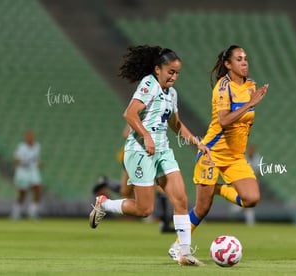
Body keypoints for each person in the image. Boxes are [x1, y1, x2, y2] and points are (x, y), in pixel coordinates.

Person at [89, 45, 210, 266]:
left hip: (162, 150)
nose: (174, 76)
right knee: (144, 210)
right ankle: (104, 204)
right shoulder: (149, 84)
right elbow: (129, 113)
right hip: (140, 150)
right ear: (157, 69)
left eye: (177, 73)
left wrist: (197, 142)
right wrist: (146, 136)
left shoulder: (172, 94)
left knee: (181, 198)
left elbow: (176, 125)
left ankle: (184, 252)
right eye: (170, 72)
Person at [168, 45, 269, 259]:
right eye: (239, 59)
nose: (244, 62)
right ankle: (177, 246)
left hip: (235, 157)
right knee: (202, 209)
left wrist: (251, 102)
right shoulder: (223, 88)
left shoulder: (250, 85)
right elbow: (223, 120)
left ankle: (217, 189)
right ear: (228, 64)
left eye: (246, 58)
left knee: (251, 199)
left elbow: (244, 122)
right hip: (211, 154)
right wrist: (251, 103)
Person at [10, 130, 43, 220]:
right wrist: (24, 162)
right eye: (28, 137)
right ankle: (16, 212)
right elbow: (15, 160)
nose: (30, 138)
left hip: (33, 171)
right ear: (26, 138)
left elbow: (35, 159)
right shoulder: (21, 147)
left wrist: (38, 163)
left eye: (31, 137)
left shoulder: (37, 146)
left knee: (38, 189)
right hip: (22, 172)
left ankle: (32, 211)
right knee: (22, 194)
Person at [230, 144, 262, 224]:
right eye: (249, 150)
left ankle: (249, 222)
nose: (250, 151)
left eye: (252, 150)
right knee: (245, 201)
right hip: (243, 182)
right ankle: (232, 215)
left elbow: (259, 172)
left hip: (252, 182)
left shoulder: (257, 159)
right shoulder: (244, 158)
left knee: (249, 202)